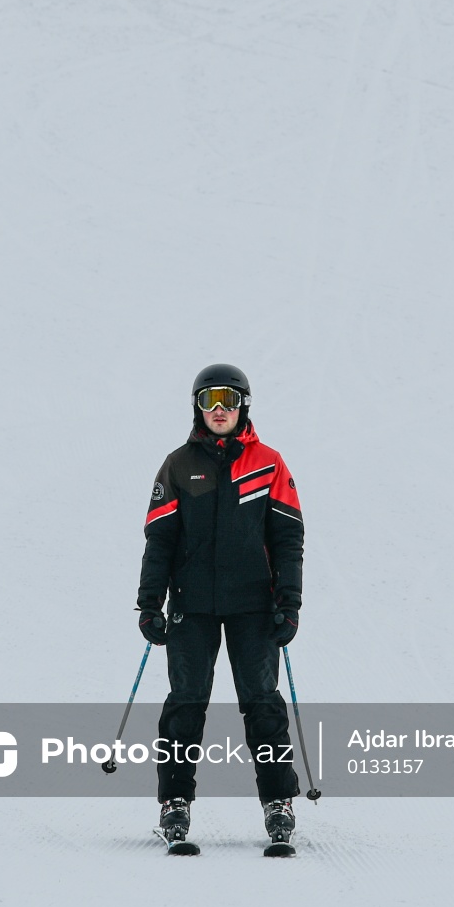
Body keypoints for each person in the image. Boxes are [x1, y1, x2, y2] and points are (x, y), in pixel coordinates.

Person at [136, 363, 304, 846]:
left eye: (227, 399)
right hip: (192, 607)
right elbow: (160, 540)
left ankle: (278, 803)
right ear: (197, 407)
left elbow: (288, 537)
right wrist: (150, 603)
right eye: (208, 400)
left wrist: (289, 602)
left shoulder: (269, 463)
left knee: (263, 704)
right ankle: (175, 804)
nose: (218, 410)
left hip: (254, 606)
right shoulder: (178, 465)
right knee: (185, 704)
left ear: (243, 406)